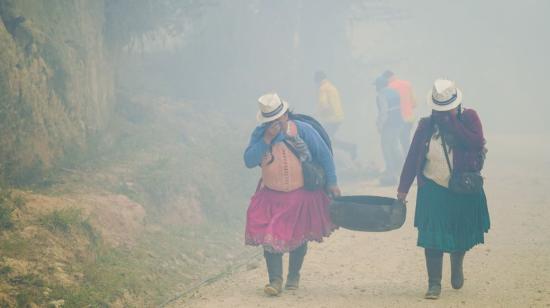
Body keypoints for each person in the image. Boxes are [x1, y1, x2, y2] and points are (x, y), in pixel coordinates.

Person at [396, 79, 490, 299]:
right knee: (432, 237)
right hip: (432, 188)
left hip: (462, 188)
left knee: (459, 233)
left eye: (445, 109)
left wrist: (452, 124)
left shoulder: (469, 118)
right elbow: (412, 158)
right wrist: (403, 189)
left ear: (456, 104)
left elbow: (476, 143)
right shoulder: (425, 126)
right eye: (438, 110)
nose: (440, 114)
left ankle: (457, 265)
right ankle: (434, 284)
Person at [244, 93, 341, 296]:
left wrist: (332, 182)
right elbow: (249, 160)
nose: (274, 124)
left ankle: (293, 276)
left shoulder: (302, 130)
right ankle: (275, 280)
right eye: (270, 121)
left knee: (299, 235)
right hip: (271, 196)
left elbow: (324, 155)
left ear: (286, 115)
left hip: (301, 194)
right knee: (270, 238)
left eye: (277, 119)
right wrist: (267, 140)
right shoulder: (260, 135)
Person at [314, 71, 357, 160]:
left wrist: (318, 114)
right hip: (338, 117)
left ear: (317, 80)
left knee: (323, 138)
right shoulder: (332, 87)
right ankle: (350, 148)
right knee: (329, 139)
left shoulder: (323, 88)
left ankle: (326, 159)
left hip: (330, 119)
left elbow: (324, 105)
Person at [374, 75, 404, 186]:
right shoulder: (395, 92)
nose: (375, 87)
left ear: (380, 85)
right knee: (395, 145)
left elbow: (384, 112)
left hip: (389, 124)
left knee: (386, 146)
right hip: (399, 122)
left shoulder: (381, 95)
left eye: (376, 85)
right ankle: (401, 168)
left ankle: (391, 171)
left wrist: (380, 126)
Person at [384, 70, 417, 154]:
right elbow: (414, 104)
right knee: (406, 141)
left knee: (395, 143)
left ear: (386, 79)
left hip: (398, 119)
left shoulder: (388, 88)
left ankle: (406, 162)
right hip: (409, 118)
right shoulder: (407, 84)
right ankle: (410, 160)